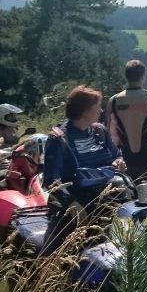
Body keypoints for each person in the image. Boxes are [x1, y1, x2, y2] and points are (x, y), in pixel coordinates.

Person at [41, 86, 126, 253]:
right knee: (59, 255)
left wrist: (119, 162)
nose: (101, 111)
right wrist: (73, 204)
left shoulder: (99, 131)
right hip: (77, 204)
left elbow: (116, 155)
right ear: (84, 110)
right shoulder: (59, 138)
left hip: (109, 199)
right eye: (97, 107)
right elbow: (51, 180)